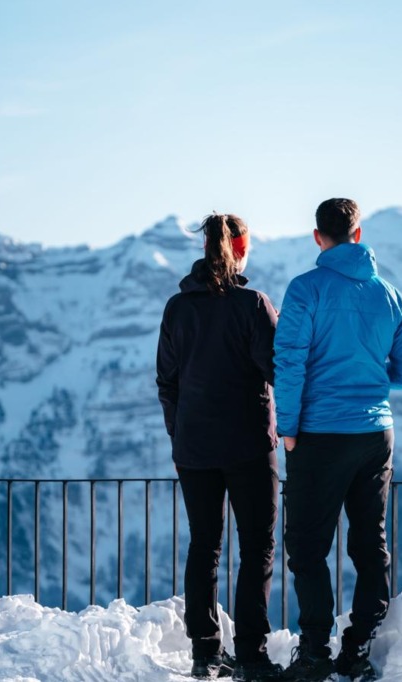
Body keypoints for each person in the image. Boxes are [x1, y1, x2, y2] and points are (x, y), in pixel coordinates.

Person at [274, 198, 402, 681]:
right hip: (376, 433)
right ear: (358, 235)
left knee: (307, 544)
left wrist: (289, 429)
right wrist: (371, 377)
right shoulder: (391, 296)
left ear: (318, 237)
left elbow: (291, 363)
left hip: (319, 434)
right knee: (369, 542)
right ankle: (358, 648)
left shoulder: (305, 290)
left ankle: (316, 651)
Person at [157, 213, 284, 681]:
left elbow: (166, 381)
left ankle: (205, 653)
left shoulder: (177, 308)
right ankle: (250, 654)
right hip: (249, 446)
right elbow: (278, 372)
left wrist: (180, 431)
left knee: (204, 547)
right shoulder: (253, 305)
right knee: (257, 547)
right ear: (243, 247)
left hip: (194, 449)